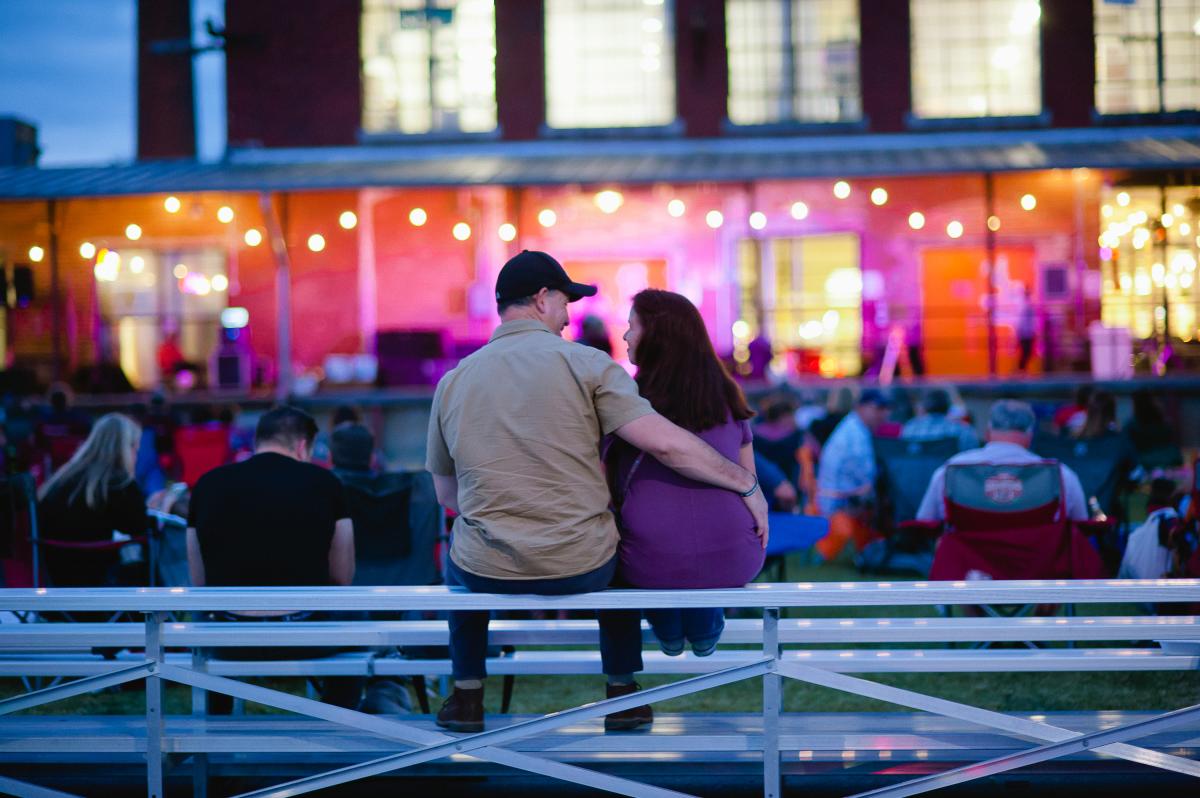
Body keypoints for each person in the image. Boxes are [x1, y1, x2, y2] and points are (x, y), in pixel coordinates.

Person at [426, 250, 767, 733]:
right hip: (582, 567)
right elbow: (667, 445)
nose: (569, 316)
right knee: (618, 548)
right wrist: (745, 483)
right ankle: (622, 694)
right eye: (566, 302)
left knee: (460, 552)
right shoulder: (589, 365)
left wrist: (502, 523)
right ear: (543, 300)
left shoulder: (453, 382)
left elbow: (447, 492)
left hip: (490, 570)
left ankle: (466, 696)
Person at [604, 289, 766, 659]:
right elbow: (748, 475)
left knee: (640, 553)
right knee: (697, 553)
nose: (626, 336)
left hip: (649, 563)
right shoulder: (729, 396)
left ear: (656, 336)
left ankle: (668, 630)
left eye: (632, 327)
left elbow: (608, 487)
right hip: (736, 558)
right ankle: (704, 627)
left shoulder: (627, 402)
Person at [186, 405, 362, 712]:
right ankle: (337, 719)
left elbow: (200, 580)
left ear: (259, 441)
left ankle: (217, 722)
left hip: (227, 638)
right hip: (307, 635)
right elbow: (342, 577)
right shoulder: (326, 484)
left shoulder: (208, 484)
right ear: (302, 445)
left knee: (207, 617)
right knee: (360, 622)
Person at [916, 400, 1088, 523]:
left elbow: (925, 521)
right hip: (1038, 568)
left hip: (969, 569)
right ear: (1030, 435)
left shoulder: (951, 469)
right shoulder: (1060, 474)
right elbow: (1081, 524)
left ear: (988, 431)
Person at [36, 413, 148, 588]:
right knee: (152, 548)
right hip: (96, 584)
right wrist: (161, 506)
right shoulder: (117, 483)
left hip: (52, 582)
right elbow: (140, 528)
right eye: (135, 449)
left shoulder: (63, 479)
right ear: (126, 448)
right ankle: (167, 608)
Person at [813, 390, 891, 562]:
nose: (884, 414)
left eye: (885, 409)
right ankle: (878, 554)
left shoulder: (854, 427)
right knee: (889, 500)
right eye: (878, 408)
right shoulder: (855, 435)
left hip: (837, 495)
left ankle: (876, 552)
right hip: (837, 502)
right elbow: (866, 479)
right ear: (861, 408)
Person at [902, 388, 980, 452]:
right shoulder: (963, 430)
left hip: (917, 471)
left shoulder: (910, 428)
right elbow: (972, 456)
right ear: (949, 408)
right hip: (948, 470)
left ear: (925, 407)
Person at [753, 395, 804, 492]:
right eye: (792, 415)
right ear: (784, 415)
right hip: (789, 487)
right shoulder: (797, 435)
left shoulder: (754, 433)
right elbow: (815, 452)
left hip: (760, 487)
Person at [1124, 389, 1182, 469]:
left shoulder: (1132, 425)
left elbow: (1126, 448)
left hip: (1145, 464)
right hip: (1169, 462)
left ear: (1135, 404)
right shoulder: (1163, 422)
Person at [1016, 284, 1037, 372]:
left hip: (1028, 332)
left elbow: (1031, 319)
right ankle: (1021, 369)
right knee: (1025, 352)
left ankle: (1022, 369)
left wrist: (1034, 331)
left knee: (1027, 352)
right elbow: (1020, 319)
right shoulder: (1023, 304)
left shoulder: (1029, 303)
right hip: (1024, 332)